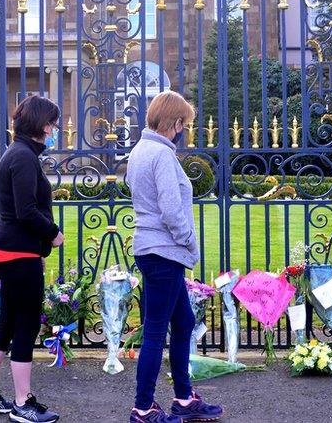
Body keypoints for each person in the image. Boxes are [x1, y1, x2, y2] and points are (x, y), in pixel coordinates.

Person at [126, 91, 225, 423]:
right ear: (175, 122)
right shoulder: (162, 156)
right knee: (155, 330)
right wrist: (189, 244)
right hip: (165, 252)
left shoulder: (140, 151)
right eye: (184, 122)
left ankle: (183, 398)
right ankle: (143, 407)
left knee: (183, 322)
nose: (185, 128)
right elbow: (171, 212)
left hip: (149, 249)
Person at [0, 95, 63, 423]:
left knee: (7, 322)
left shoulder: (19, 153)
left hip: (12, 251)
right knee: (24, 326)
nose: (54, 129)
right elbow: (26, 212)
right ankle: (23, 403)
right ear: (39, 125)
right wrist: (53, 233)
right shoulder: (23, 157)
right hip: (18, 252)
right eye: (51, 123)